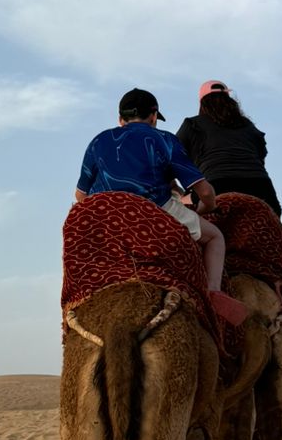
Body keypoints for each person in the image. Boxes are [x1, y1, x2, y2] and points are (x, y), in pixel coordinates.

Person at [75, 88, 247, 326]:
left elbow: (80, 195)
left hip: (108, 219)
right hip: (154, 212)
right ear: (154, 116)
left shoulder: (98, 141)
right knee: (216, 237)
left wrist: (109, 214)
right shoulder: (164, 140)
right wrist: (207, 207)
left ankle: (75, 304)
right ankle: (213, 294)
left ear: (120, 119)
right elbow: (205, 191)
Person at [175, 81, 282, 216]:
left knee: (178, 208)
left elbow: (172, 154)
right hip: (261, 188)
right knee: (274, 218)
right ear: (229, 99)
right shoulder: (248, 126)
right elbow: (261, 155)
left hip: (217, 186)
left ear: (202, 103)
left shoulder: (193, 124)